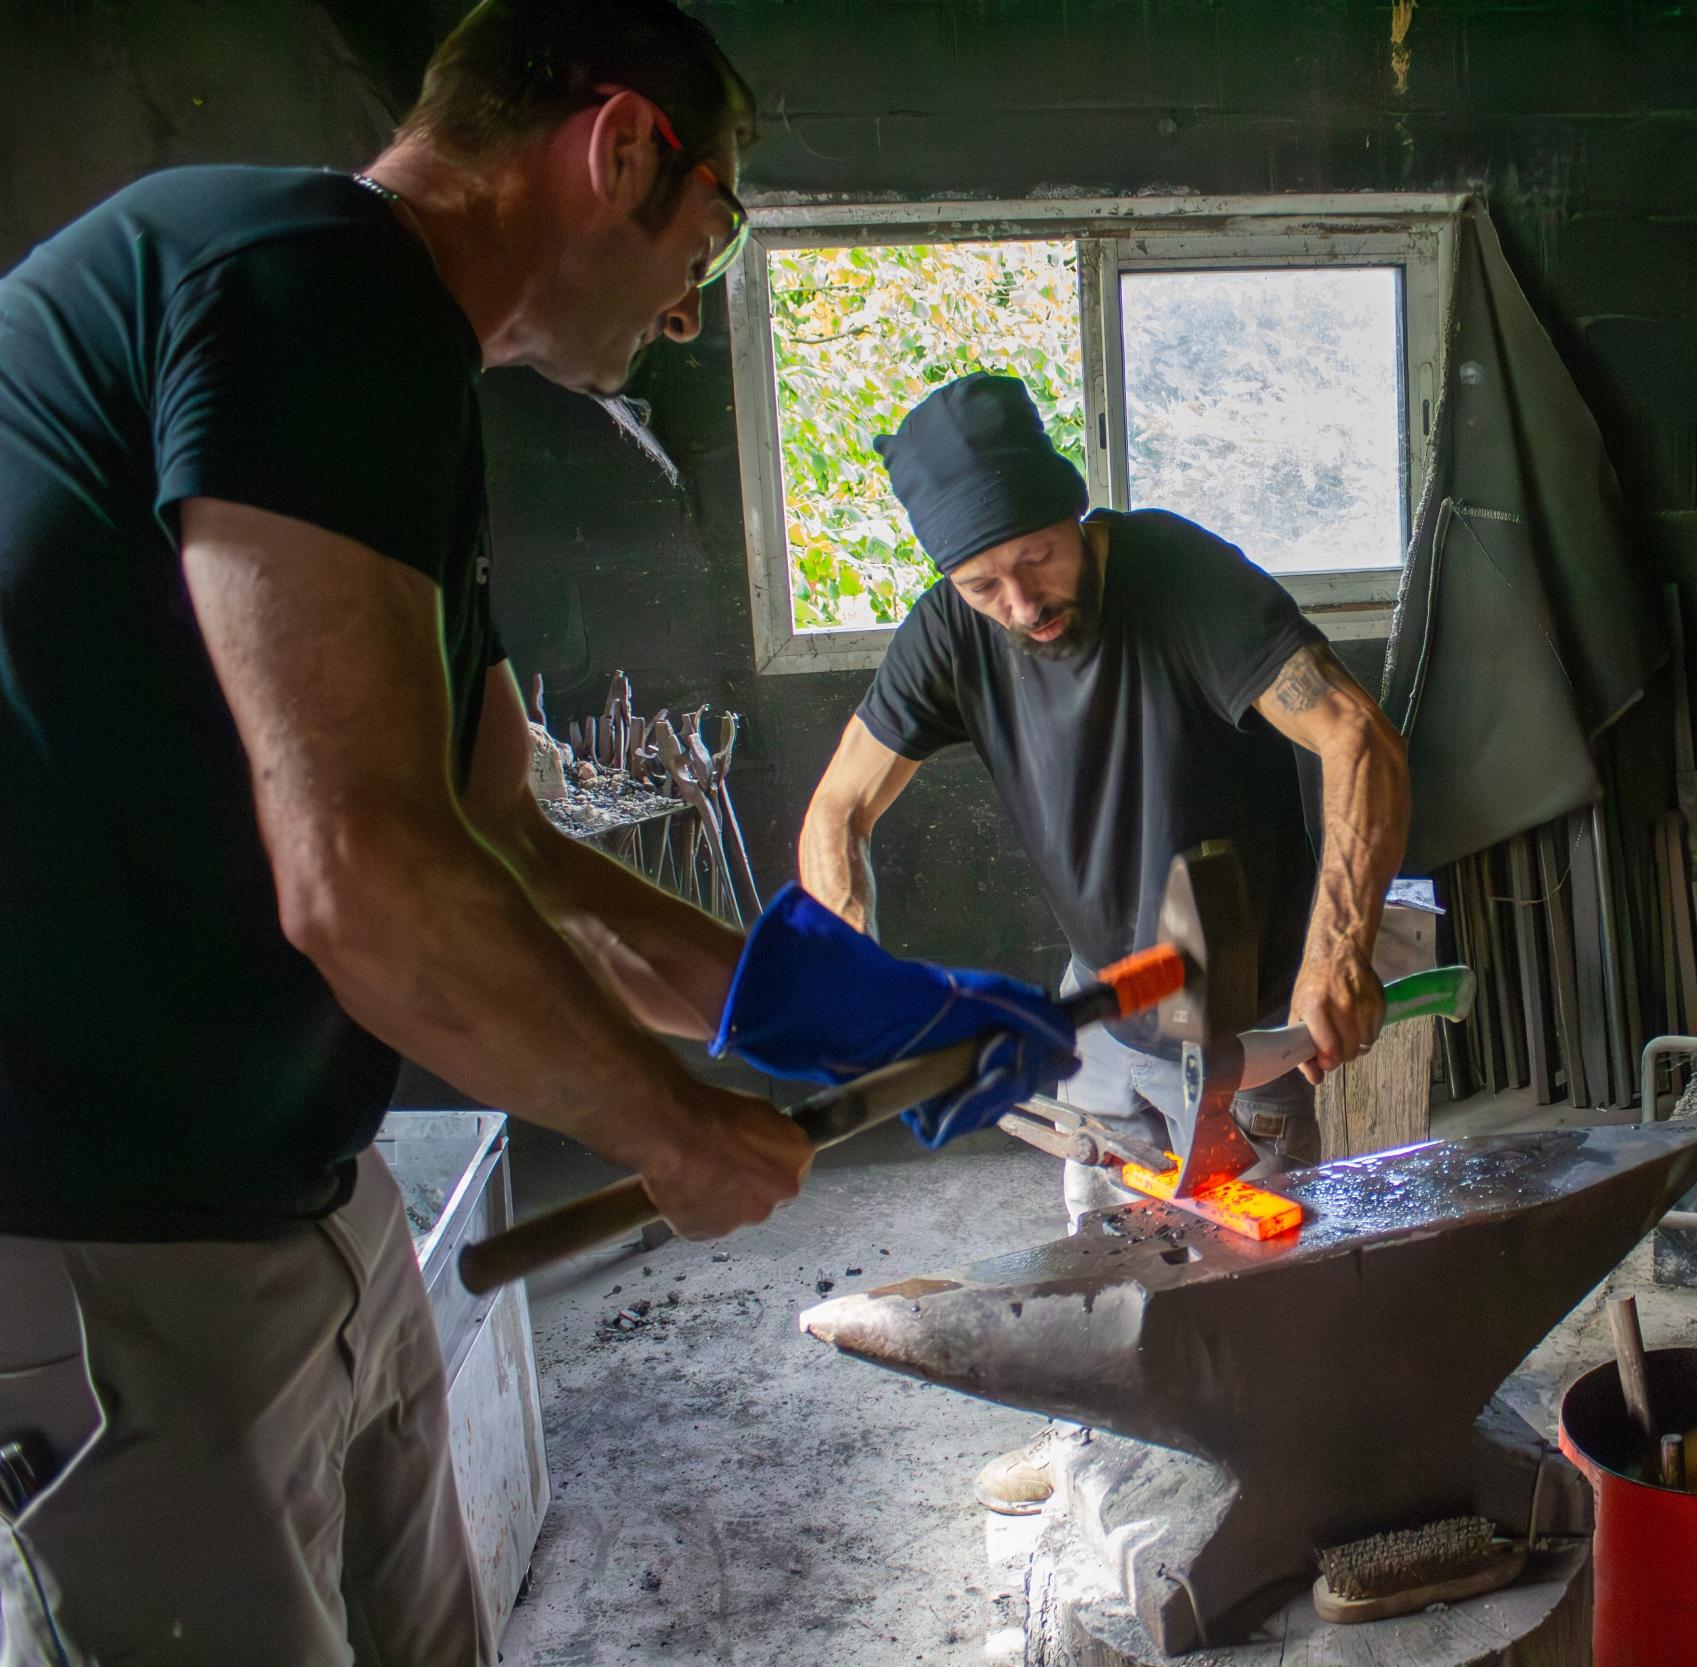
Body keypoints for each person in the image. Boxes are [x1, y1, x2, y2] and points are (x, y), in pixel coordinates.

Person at [0, 5, 1065, 1662]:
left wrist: (868, 1009)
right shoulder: (303, 274)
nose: (695, 311)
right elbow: (359, 874)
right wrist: (665, 1121)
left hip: (302, 1193)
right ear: (621, 148)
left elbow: (507, 852)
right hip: (100, 1236)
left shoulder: (401, 371)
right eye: (705, 239)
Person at [798, 372, 1412, 1512]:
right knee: (1095, 1255)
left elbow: (1356, 736)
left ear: (1074, 512)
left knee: (1260, 1274)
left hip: (1245, 1014)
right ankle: (1095, 1448)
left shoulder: (1181, 578)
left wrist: (1339, 949)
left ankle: (1275, 1483)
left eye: (1036, 559)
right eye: (983, 584)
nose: (1019, 602)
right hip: (1102, 988)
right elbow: (837, 811)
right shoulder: (953, 628)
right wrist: (849, 971)